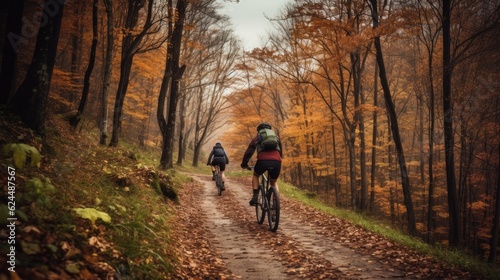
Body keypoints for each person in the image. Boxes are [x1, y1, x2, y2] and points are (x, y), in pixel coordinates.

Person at [240, 122, 282, 206]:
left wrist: (244, 164)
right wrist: (278, 161)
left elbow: (249, 152)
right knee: (273, 182)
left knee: (256, 175)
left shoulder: (257, 138)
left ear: (259, 131)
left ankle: (255, 196)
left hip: (262, 161)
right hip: (277, 161)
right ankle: (276, 202)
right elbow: (280, 152)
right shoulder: (276, 138)